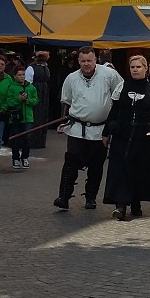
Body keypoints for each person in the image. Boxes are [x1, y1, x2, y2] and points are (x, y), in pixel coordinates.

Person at [53, 46, 125, 210]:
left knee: (96, 164)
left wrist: (115, 122)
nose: (86, 64)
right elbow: (66, 101)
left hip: (100, 130)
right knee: (71, 161)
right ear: (78, 61)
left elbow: (120, 94)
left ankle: (90, 197)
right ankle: (63, 196)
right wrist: (63, 121)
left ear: (96, 60)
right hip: (77, 128)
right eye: (83, 61)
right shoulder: (71, 78)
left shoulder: (109, 75)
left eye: (89, 61)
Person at [103, 55, 150, 221]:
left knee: (139, 170)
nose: (135, 70)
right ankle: (121, 206)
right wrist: (105, 132)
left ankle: (136, 203)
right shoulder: (122, 86)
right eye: (132, 67)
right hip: (122, 134)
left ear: (146, 68)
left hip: (143, 135)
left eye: (138, 67)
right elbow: (114, 111)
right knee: (120, 169)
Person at [4, 68, 39, 169]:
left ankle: (25, 157)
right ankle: (15, 158)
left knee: (27, 138)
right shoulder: (12, 88)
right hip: (16, 118)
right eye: (19, 75)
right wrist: (19, 100)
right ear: (15, 76)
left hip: (28, 117)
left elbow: (36, 100)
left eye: (23, 74)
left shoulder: (31, 87)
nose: (22, 77)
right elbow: (9, 102)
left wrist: (28, 100)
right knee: (16, 138)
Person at [26, 51, 52, 149]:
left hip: (43, 93)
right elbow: (28, 83)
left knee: (41, 115)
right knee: (36, 115)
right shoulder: (33, 68)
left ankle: (39, 140)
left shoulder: (44, 68)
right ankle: (33, 140)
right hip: (37, 92)